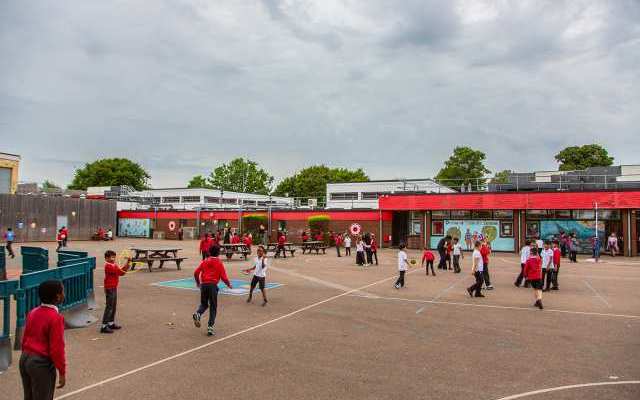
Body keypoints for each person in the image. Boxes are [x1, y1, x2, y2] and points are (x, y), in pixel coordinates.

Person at [20, 280, 66, 400]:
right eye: (62, 291)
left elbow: (25, 337)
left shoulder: (33, 312)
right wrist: (62, 371)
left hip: (25, 358)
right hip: (40, 363)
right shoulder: (56, 318)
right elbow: (57, 348)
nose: (64, 293)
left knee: (28, 396)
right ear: (58, 296)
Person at [193, 246, 232, 336]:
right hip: (212, 286)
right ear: (218, 253)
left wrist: (198, 283)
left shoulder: (205, 261)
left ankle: (198, 314)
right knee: (213, 306)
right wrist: (228, 284)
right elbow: (223, 276)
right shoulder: (219, 262)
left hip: (204, 285)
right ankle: (210, 327)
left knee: (204, 304)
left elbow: (196, 272)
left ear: (210, 252)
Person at [101, 250, 130, 334]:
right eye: (110, 257)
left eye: (113, 257)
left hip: (113, 287)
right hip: (110, 288)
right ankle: (104, 326)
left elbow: (121, 273)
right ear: (106, 258)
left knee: (113, 306)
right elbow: (121, 272)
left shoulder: (113, 265)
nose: (112, 259)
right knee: (109, 307)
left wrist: (128, 263)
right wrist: (128, 263)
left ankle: (111, 323)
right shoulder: (108, 266)